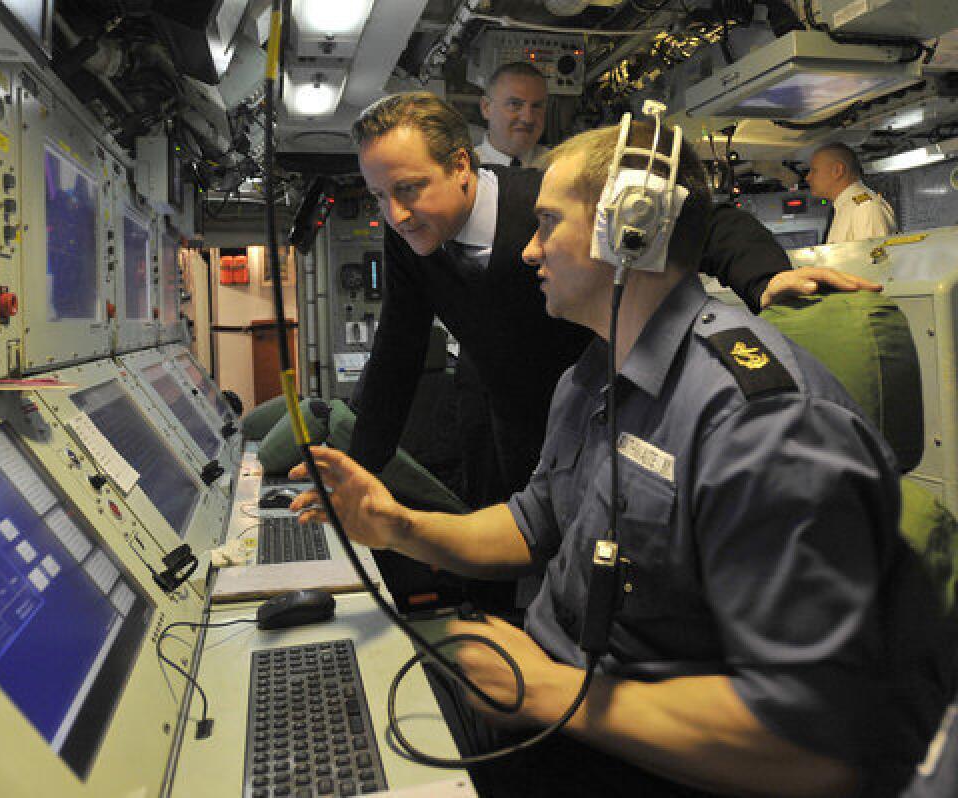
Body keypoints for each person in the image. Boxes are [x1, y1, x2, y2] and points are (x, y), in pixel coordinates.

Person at [293, 120, 949, 797]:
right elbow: (533, 524)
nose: (527, 251)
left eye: (548, 224)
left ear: (630, 232)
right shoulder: (588, 376)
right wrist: (397, 524)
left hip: (619, 752)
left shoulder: (760, 425)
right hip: (554, 701)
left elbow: (817, 738)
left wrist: (550, 691)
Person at [348, 91, 881, 511]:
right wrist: (358, 471)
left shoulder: (546, 196)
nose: (394, 214)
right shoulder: (409, 237)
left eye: (410, 188)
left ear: (461, 165)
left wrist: (764, 279)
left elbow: (697, 217)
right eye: (378, 196)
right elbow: (397, 349)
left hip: (602, 413)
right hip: (509, 425)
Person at [806, 141, 896, 244]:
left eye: (814, 170)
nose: (808, 177)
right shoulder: (846, 208)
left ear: (837, 171)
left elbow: (871, 258)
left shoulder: (865, 208)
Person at [476, 62, 551, 169]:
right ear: (486, 108)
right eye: (515, 104)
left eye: (537, 106)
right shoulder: (459, 172)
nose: (528, 119)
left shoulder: (563, 170)